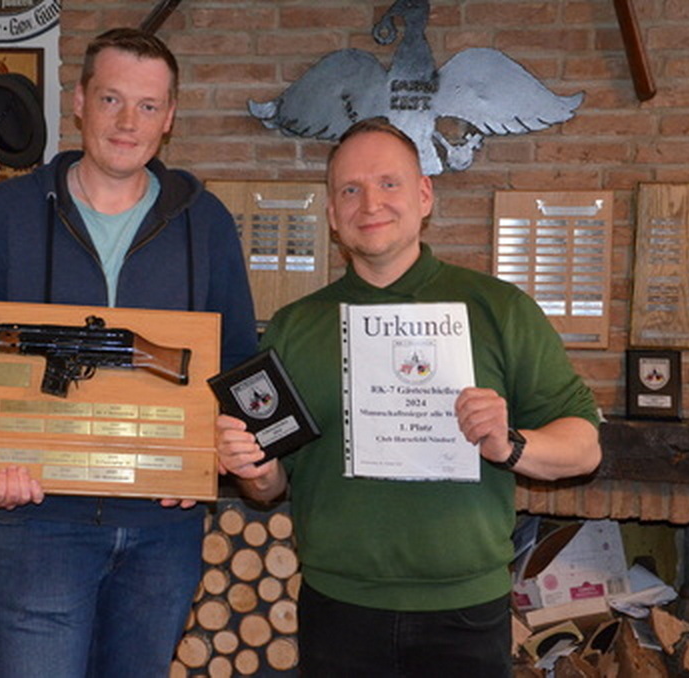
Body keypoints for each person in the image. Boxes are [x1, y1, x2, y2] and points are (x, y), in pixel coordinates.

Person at [216, 117, 601, 677]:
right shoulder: (294, 328)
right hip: (338, 609)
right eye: (350, 189)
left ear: (424, 196)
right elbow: (270, 485)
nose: (370, 203)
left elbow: (585, 447)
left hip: (466, 611)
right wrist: (253, 467)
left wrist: (509, 444)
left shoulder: (499, 309)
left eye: (388, 183)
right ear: (332, 214)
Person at [0, 28, 257, 677]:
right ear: (80, 101)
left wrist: (201, 460)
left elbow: (235, 363)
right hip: (38, 517)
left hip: (164, 528)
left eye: (148, 105)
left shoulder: (206, 222)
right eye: (112, 99)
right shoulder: (6, 211)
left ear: (169, 118)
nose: (127, 122)